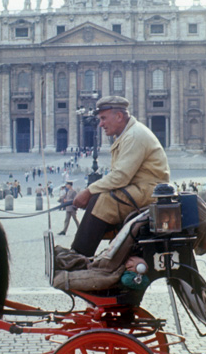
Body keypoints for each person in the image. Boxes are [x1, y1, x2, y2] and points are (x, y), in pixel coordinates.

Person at [70, 96, 170, 257]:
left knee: (103, 201)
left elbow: (120, 177)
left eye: (103, 118)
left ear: (118, 116)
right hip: (141, 189)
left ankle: (78, 255)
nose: (100, 124)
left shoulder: (134, 135)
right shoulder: (128, 134)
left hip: (149, 191)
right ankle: (103, 253)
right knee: (99, 198)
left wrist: (88, 191)